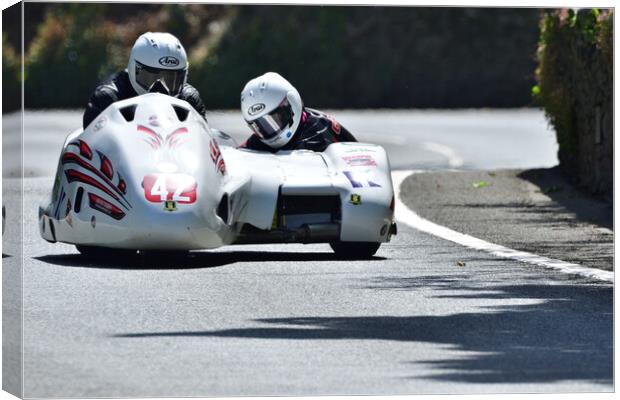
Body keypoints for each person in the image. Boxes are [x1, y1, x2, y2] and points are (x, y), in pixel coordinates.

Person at [82, 32, 207, 128]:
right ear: (133, 68)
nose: (160, 89)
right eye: (151, 77)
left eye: (170, 79)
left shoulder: (189, 101)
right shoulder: (107, 99)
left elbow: (202, 143)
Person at [239, 72, 357, 152]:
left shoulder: (319, 132)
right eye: (260, 126)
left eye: (275, 119)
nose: (269, 131)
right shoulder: (258, 142)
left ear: (291, 103)